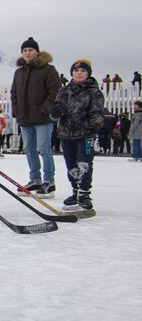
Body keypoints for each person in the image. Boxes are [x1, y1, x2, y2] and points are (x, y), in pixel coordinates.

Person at [49, 59, 105, 211]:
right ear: (71, 73)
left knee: (85, 162)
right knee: (71, 164)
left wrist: (93, 126)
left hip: (86, 135)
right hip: (66, 134)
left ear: (88, 74)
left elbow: (97, 112)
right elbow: (56, 114)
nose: (79, 73)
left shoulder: (94, 92)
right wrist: (54, 113)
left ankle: (84, 193)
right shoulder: (64, 91)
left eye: (82, 71)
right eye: (76, 71)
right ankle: (75, 191)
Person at [10, 37, 59, 194]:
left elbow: (55, 90)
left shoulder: (48, 70)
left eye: (30, 50)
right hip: (25, 117)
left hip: (42, 117)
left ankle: (49, 181)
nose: (27, 52)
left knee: (43, 148)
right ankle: (35, 179)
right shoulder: (19, 72)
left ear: (37, 52)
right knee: (29, 149)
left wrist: (46, 108)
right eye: (24, 50)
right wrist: (16, 111)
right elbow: (14, 93)